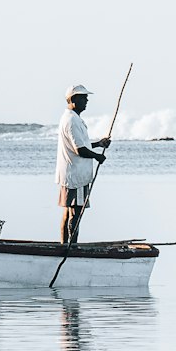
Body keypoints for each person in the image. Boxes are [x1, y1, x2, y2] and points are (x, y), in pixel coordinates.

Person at [57, 83, 112, 244]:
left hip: (71, 174)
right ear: (73, 99)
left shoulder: (71, 118)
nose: (87, 100)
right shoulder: (72, 120)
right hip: (76, 176)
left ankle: (64, 245)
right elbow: (80, 150)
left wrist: (98, 144)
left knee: (69, 212)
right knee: (76, 213)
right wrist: (97, 156)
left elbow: (82, 144)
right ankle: (70, 247)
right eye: (83, 97)